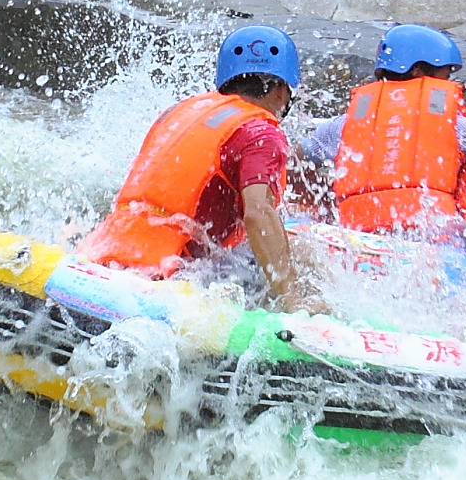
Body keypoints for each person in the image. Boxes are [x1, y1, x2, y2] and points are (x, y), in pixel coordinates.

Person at [79, 25, 326, 313]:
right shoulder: (261, 132)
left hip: (108, 248)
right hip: (174, 271)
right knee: (306, 253)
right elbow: (258, 214)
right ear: (284, 90)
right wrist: (292, 299)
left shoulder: (180, 112)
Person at [303, 24, 466, 233]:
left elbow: (297, 162)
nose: (447, 83)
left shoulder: (343, 124)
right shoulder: (457, 126)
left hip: (358, 236)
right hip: (433, 237)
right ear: (418, 71)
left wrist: (326, 200)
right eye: (445, 76)